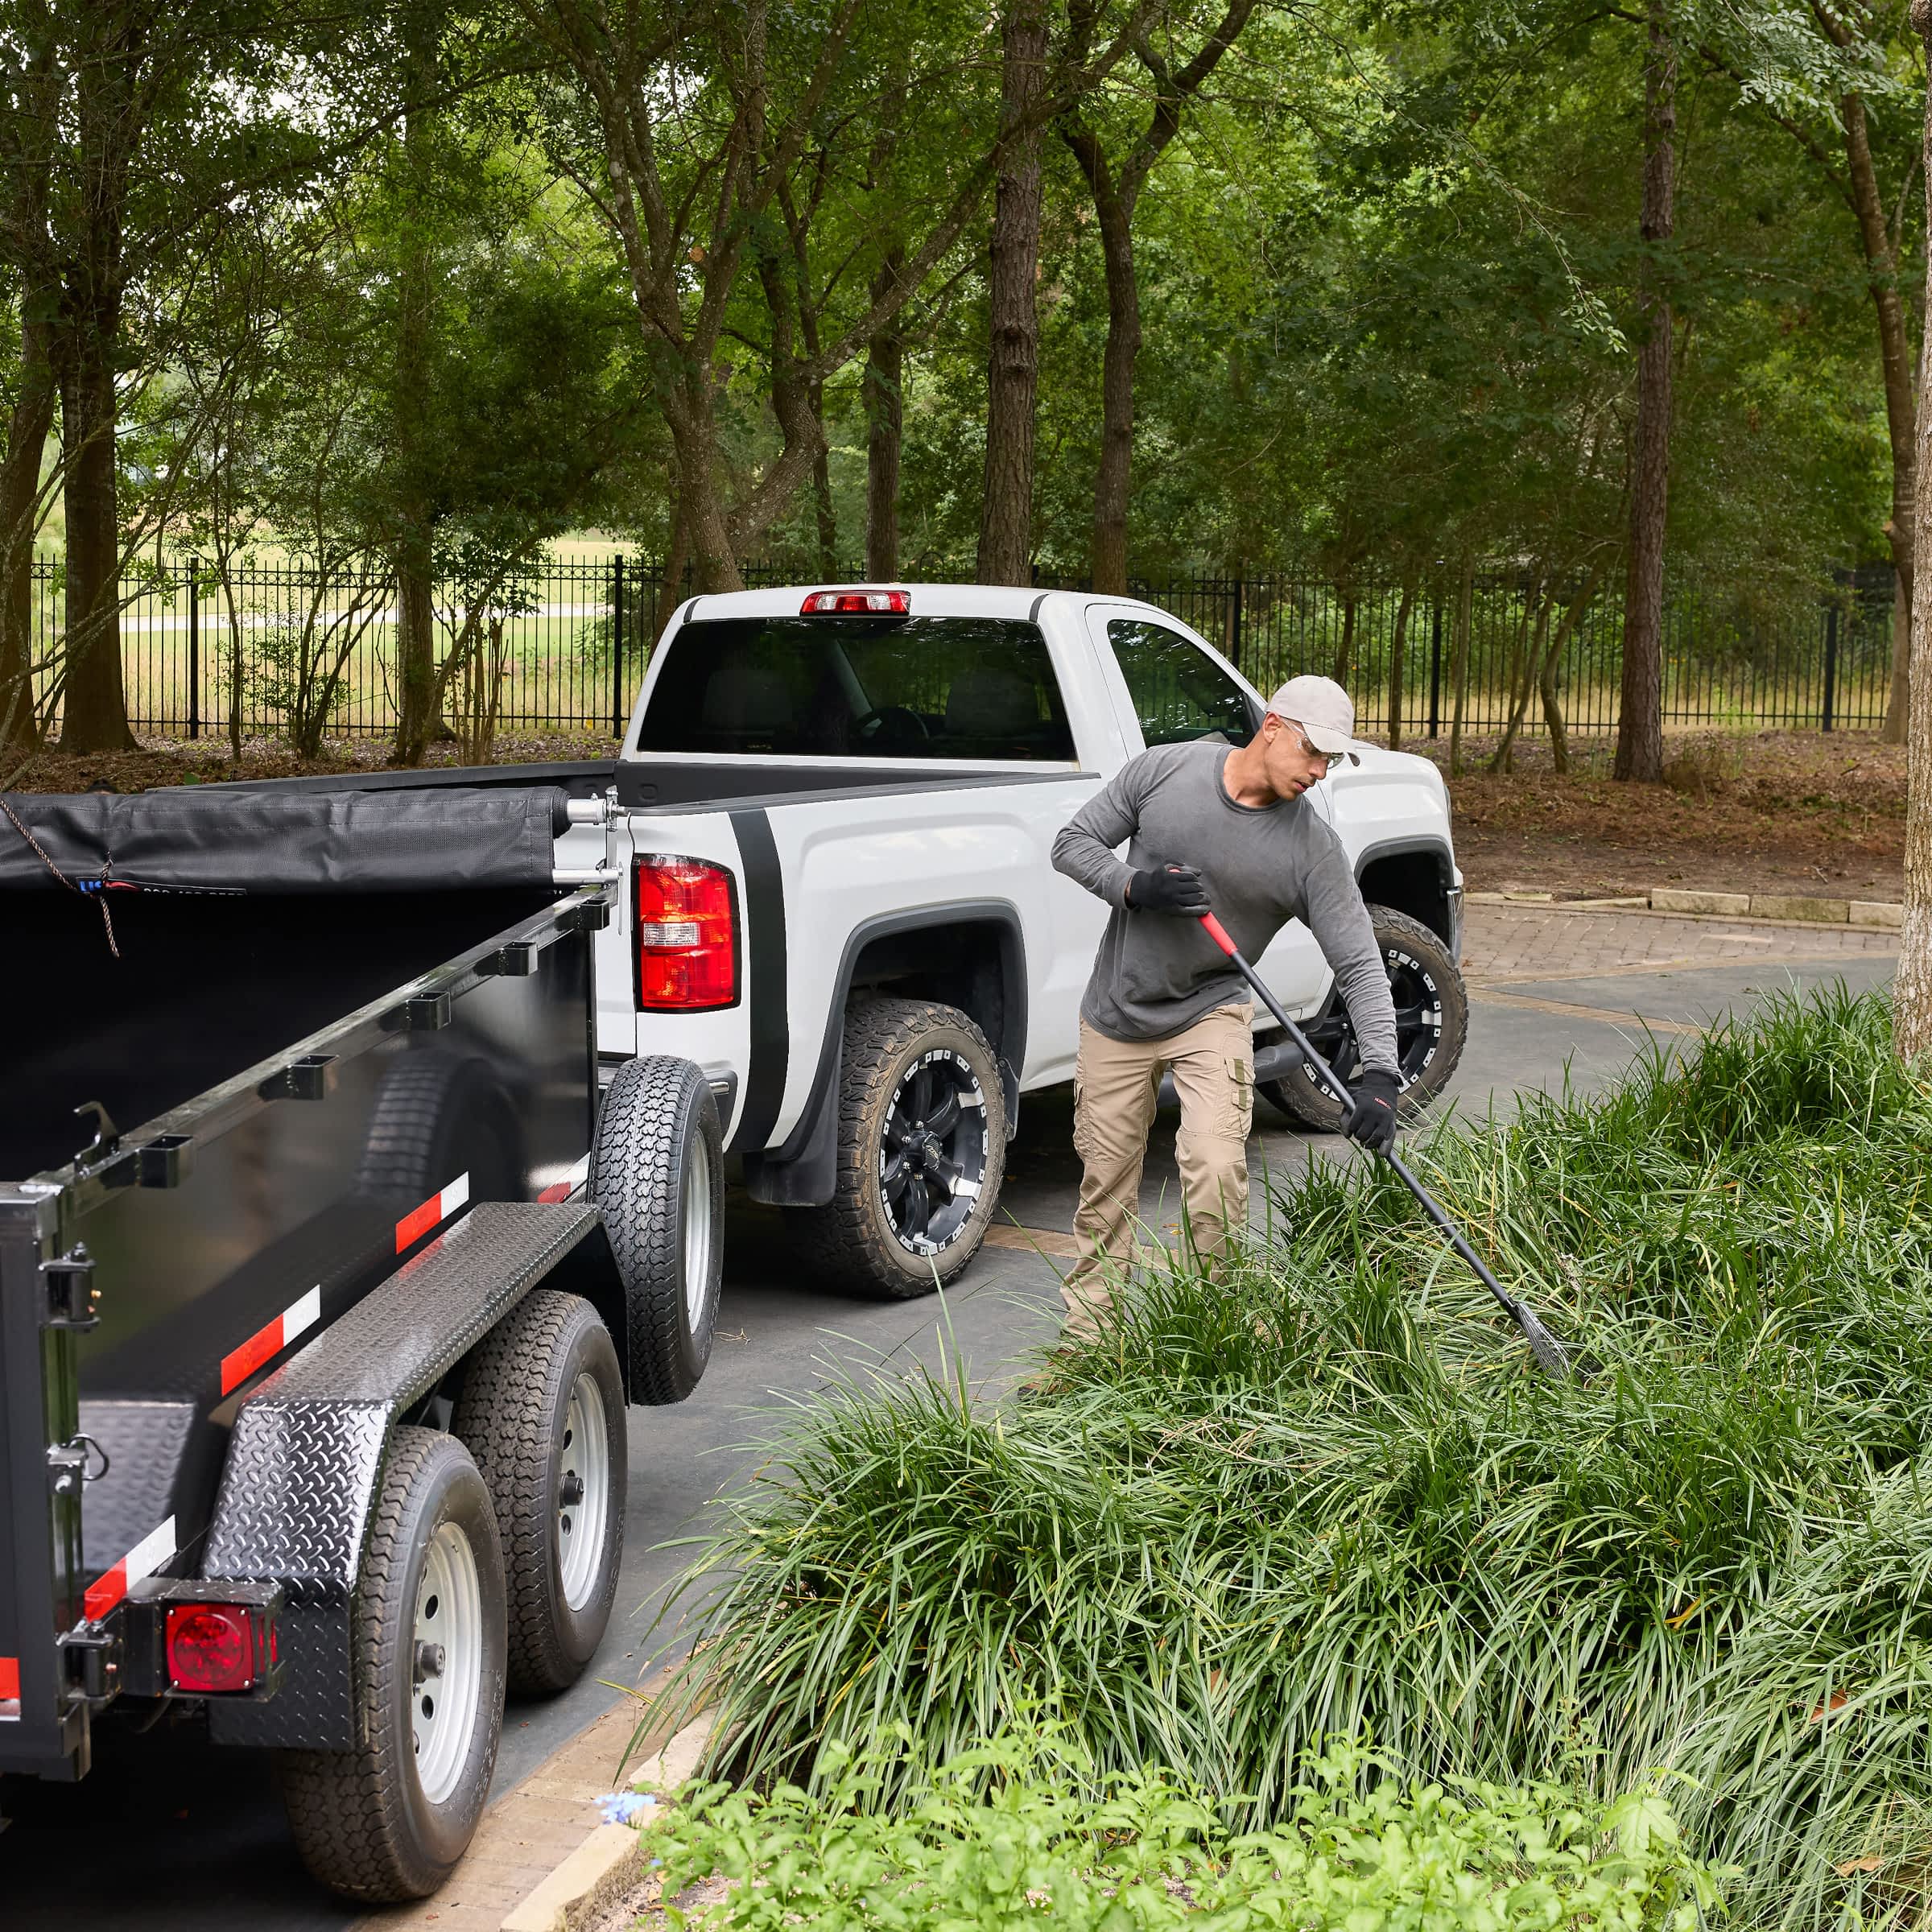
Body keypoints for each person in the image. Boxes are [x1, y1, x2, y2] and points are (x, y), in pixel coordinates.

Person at [1048, 674, 1403, 1342]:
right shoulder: (1166, 771)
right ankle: (1091, 1345)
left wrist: (1380, 1076)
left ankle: (1220, 1332)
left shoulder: (1310, 848)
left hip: (1211, 1008)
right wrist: (1136, 886)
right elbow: (1072, 844)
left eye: (1332, 760)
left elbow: (1358, 960)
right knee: (1106, 1184)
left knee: (1214, 1168)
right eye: (1313, 751)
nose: (1320, 772)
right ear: (1272, 726)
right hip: (1118, 1011)